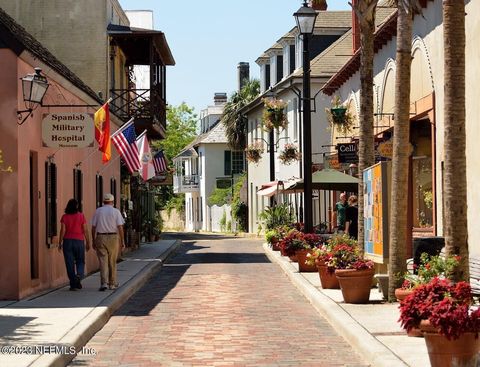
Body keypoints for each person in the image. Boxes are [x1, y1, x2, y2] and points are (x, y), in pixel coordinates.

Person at [91, 193, 125, 291]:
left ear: (103, 201)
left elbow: (93, 227)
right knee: (112, 261)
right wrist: (122, 240)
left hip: (100, 237)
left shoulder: (98, 211)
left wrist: (94, 240)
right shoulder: (116, 212)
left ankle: (103, 283)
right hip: (113, 237)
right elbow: (120, 227)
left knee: (102, 261)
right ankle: (112, 283)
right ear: (112, 201)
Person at [58, 199, 90, 291]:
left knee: (69, 263)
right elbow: (85, 230)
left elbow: (63, 230)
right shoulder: (81, 216)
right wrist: (88, 242)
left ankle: (73, 284)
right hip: (79, 241)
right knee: (80, 261)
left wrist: (60, 243)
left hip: (67, 241)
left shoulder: (64, 217)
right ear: (76, 206)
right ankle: (79, 275)